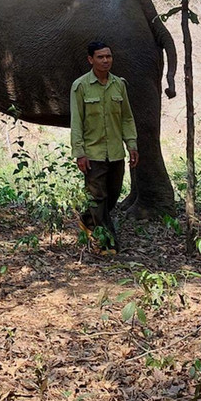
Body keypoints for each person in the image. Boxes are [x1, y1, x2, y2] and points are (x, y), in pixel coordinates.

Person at [70, 39, 138, 253]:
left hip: (116, 153)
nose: (106, 60)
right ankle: (106, 242)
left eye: (108, 56)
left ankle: (87, 220)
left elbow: (127, 117)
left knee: (112, 195)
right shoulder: (80, 86)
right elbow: (76, 122)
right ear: (91, 60)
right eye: (100, 57)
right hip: (93, 154)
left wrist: (131, 144)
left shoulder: (119, 85)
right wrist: (79, 153)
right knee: (98, 198)